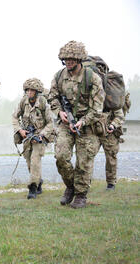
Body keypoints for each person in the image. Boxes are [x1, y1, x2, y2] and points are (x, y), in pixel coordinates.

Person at [48, 41, 105, 208]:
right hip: (66, 123)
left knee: (84, 161)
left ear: (79, 59)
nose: (69, 61)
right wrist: (60, 112)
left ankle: (81, 195)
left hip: (88, 124)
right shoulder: (59, 76)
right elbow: (52, 97)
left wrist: (82, 121)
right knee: (61, 157)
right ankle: (71, 187)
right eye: (66, 59)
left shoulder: (92, 78)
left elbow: (97, 107)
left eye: (72, 58)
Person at [12, 78, 54, 199]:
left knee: (35, 160)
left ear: (37, 92)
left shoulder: (43, 103)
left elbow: (50, 123)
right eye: (28, 90)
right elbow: (15, 117)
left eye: (32, 90)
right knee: (29, 161)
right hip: (27, 136)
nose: (29, 92)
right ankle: (38, 181)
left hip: (40, 136)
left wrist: (41, 135)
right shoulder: (23, 102)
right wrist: (20, 130)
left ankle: (32, 188)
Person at [98, 98, 127, 190]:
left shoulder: (112, 98)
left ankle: (111, 183)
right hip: (94, 130)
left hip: (109, 131)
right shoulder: (91, 95)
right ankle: (85, 183)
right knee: (86, 157)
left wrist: (113, 125)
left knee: (111, 156)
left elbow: (120, 116)